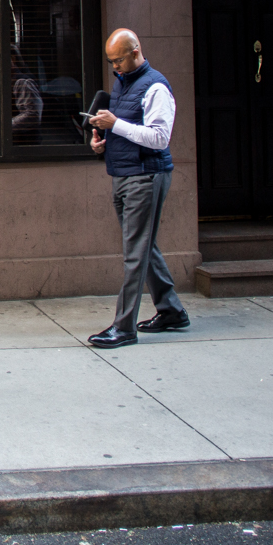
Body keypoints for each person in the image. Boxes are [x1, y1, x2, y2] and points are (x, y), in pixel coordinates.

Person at [85, 28, 190, 349]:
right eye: (110, 62)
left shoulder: (156, 86)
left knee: (135, 253)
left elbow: (159, 138)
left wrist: (115, 124)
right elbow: (126, 128)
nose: (114, 67)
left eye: (119, 60)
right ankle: (171, 310)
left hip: (146, 175)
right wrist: (100, 139)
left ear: (135, 52)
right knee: (143, 246)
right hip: (123, 173)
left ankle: (124, 327)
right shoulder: (123, 82)